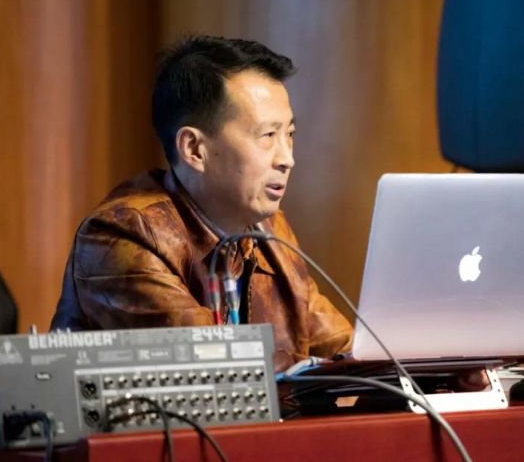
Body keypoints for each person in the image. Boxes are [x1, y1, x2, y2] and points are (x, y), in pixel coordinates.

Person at [51, 36, 352, 371]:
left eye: (289, 135)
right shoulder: (123, 235)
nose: (287, 159)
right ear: (194, 149)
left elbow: (348, 350)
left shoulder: (268, 229)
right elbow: (216, 368)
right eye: (268, 136)